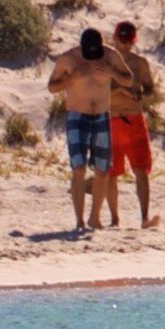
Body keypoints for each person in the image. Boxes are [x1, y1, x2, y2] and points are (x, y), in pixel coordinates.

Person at [47, 27, 114, 235]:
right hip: (77, 115)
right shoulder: (68, 59)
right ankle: (79, 221)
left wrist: (111, 72)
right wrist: (72, 78)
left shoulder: (109, 56)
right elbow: (52, 87)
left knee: (102, 170)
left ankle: (95, 218)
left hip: (102, 115)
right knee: (79, 169)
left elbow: (128, 78)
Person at [107, 20, 162, 229]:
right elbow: (100, 91)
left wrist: (142, 95)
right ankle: (114, 219)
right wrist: (120, 91)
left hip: (134, 120)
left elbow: (150, 89)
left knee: (141, 170)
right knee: (112, 173)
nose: (125, 45)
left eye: (129, 42)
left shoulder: (140, 63)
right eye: (123, 41)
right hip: (112, 120)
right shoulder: (107, 61)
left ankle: (144, 217)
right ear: (114, 39)